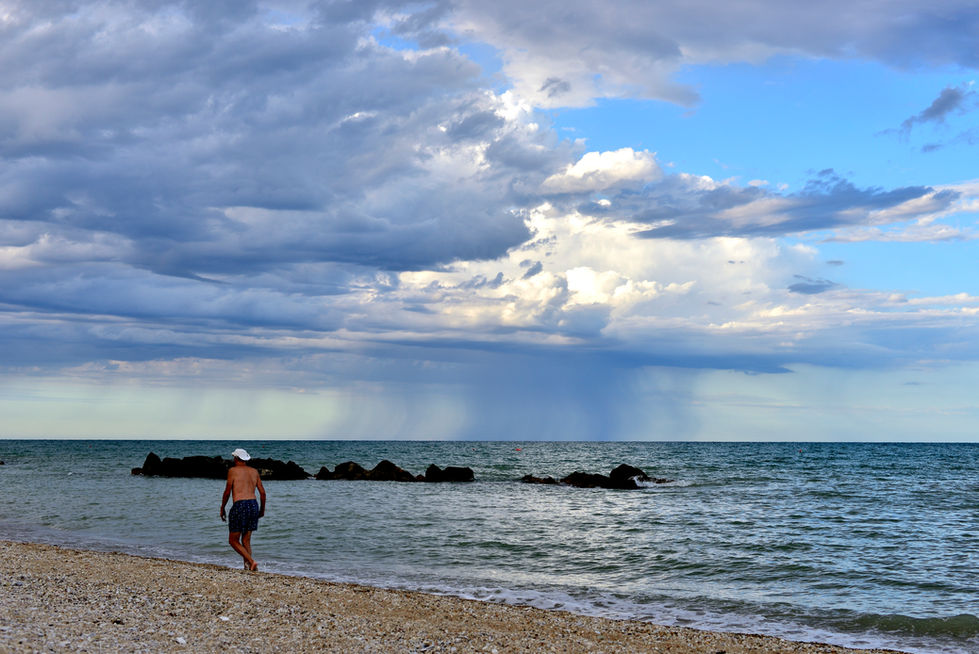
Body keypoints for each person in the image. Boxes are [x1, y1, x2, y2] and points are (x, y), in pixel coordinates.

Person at [220, 448, 266, 571]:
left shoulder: (232, 471)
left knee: (233, 540)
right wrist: (262, 510)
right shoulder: (254, 471)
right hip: (253, 504)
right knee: (246, 539)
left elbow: (227, 492)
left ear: (236, 458)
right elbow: (262, 493)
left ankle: (251, 561)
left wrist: (222, 507)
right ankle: (248, 567)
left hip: (240, 505)